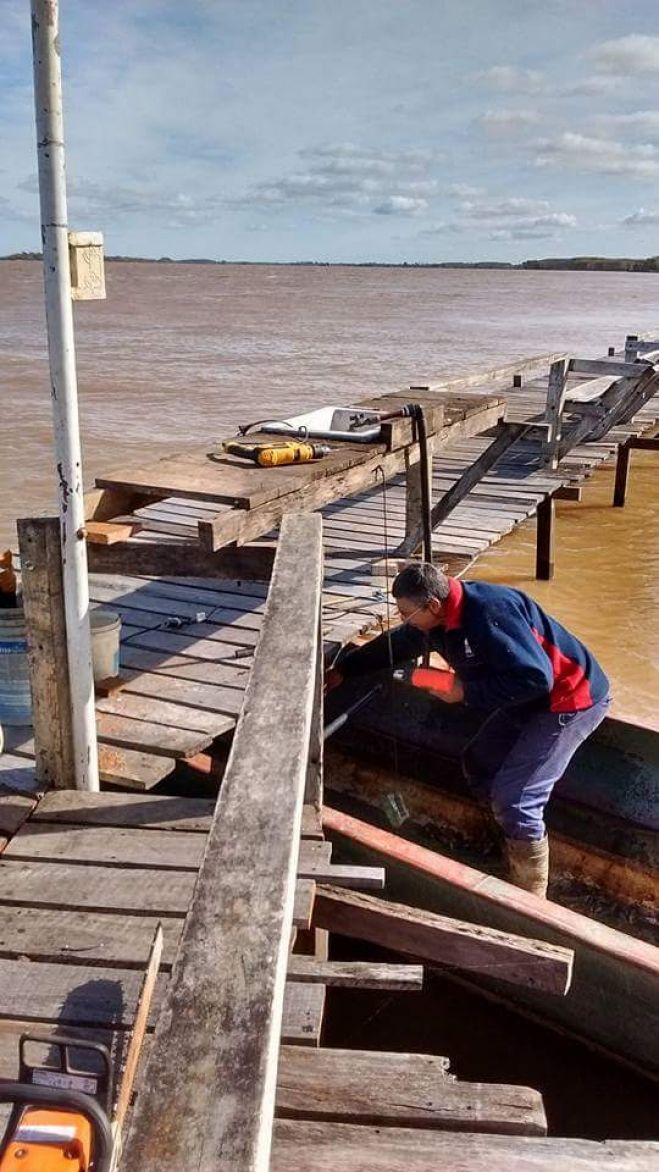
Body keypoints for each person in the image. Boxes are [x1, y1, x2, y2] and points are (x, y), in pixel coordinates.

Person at [326, 562, 610, 898]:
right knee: (478, 763)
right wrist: (344, 670)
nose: (403, 619)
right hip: (525, 698)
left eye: (406, 613)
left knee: (516, 799)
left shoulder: (489, 613)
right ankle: (506, 845)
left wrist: (466, 692)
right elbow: (401, 644)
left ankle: (531, 897)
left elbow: (537, 677)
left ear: (433, 605)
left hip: (569, 698)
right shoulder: (437, 617)